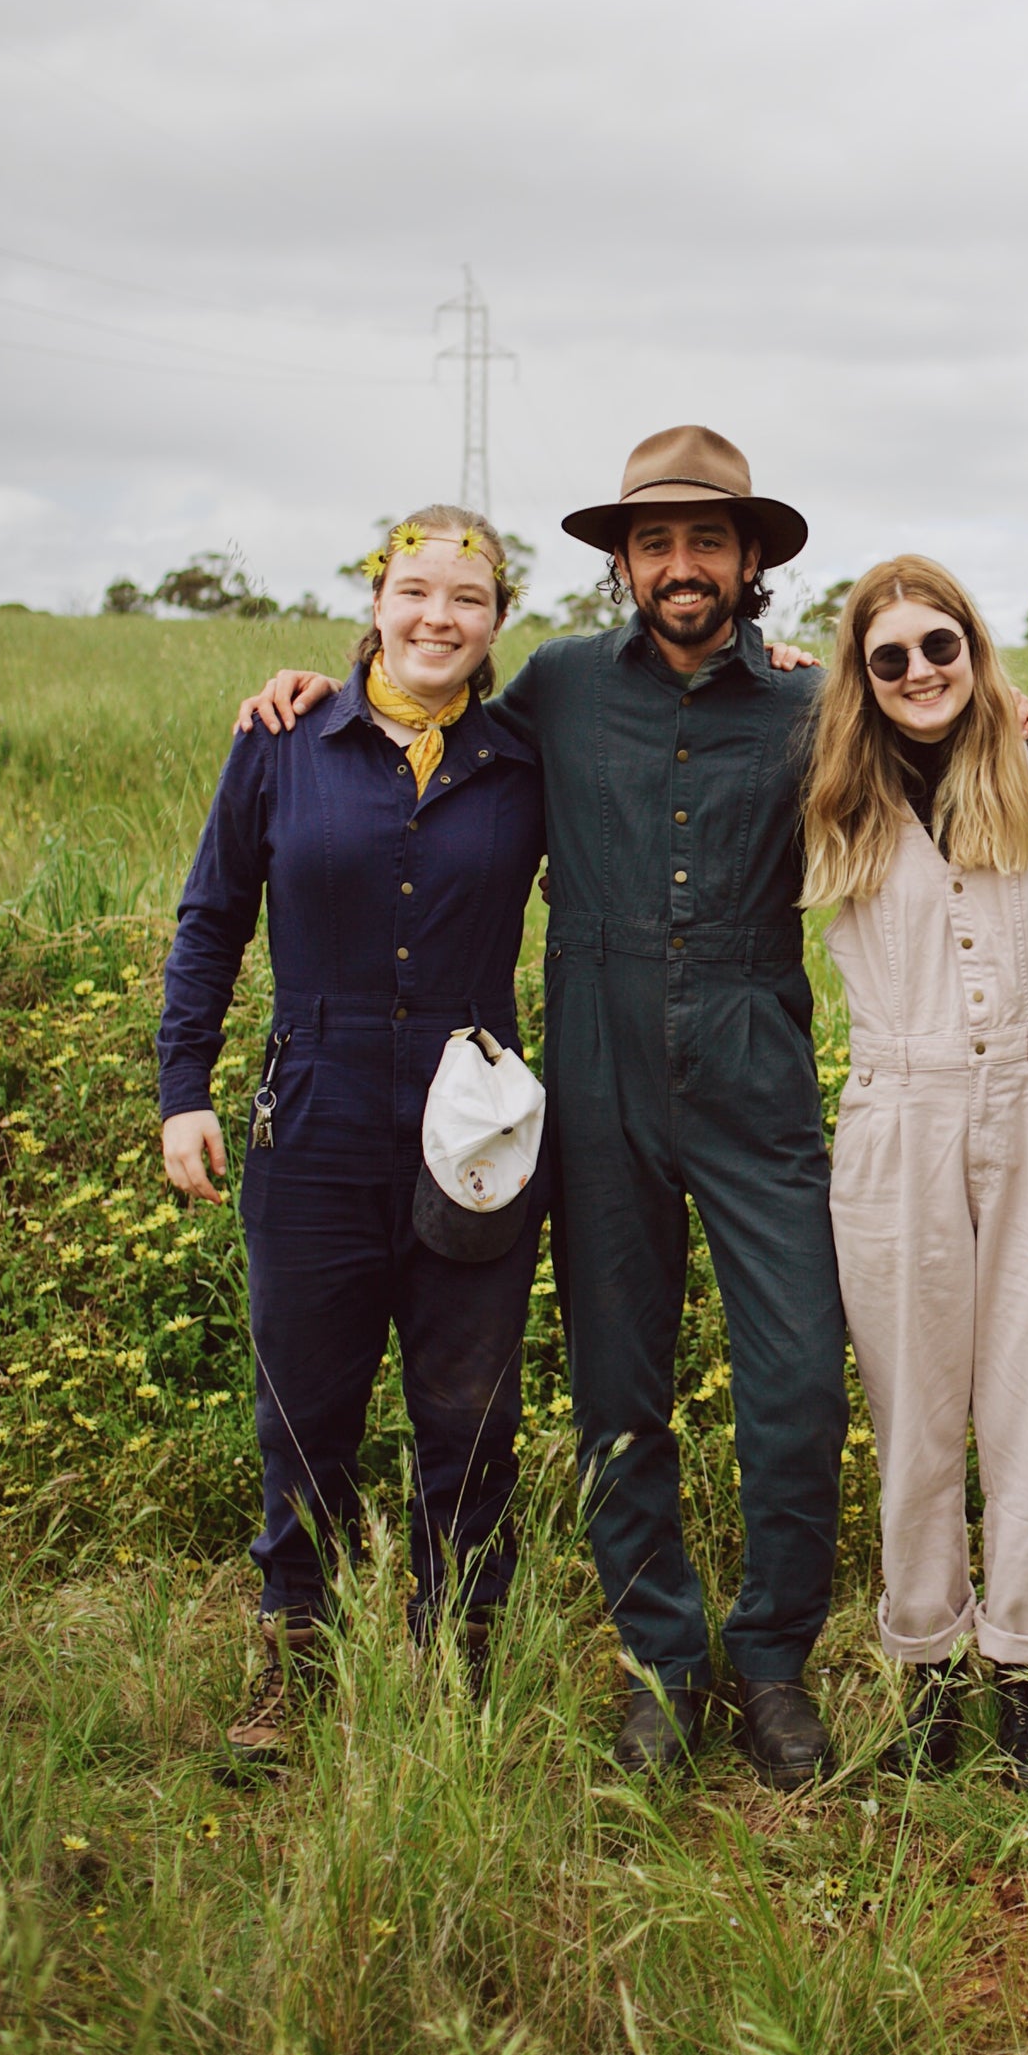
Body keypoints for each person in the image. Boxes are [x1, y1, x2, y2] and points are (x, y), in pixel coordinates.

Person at [237, 427, 849, 1791]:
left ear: (752, 560)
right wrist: (310, 691)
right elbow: (416, 716)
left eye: (707, 541)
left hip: (754, 1048)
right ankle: (660, 1663)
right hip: (594, 1048)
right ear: (623, 564)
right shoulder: (563, 689)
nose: (680, 566)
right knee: (617, 1385)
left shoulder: (818, 703)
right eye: (654, 543)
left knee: (800, 1380)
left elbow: (941, 764)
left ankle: (772, 1662)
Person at [161, 509, 546, 1761]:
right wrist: (184, 1087)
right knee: (305, 1404)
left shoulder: (522, 760)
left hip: (473, 1119)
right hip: (311, 1109)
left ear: (498, 623)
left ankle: (455, 1663)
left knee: (470, 1411)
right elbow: (212, 916)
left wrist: (781, 675)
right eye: (417, 589)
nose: (439, 616)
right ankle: (293, 1655)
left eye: (469, 598)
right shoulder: (285, 741)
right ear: (377, 600)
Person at [802, 558, 1028, 1785]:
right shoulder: (825, 783)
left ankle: (1023, 1669)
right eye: (891, 658)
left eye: (942, 648)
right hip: (897, 1103)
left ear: (976, 652)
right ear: (859, 678)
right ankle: (924, 1663)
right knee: (913, 1403)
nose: (920, 673)